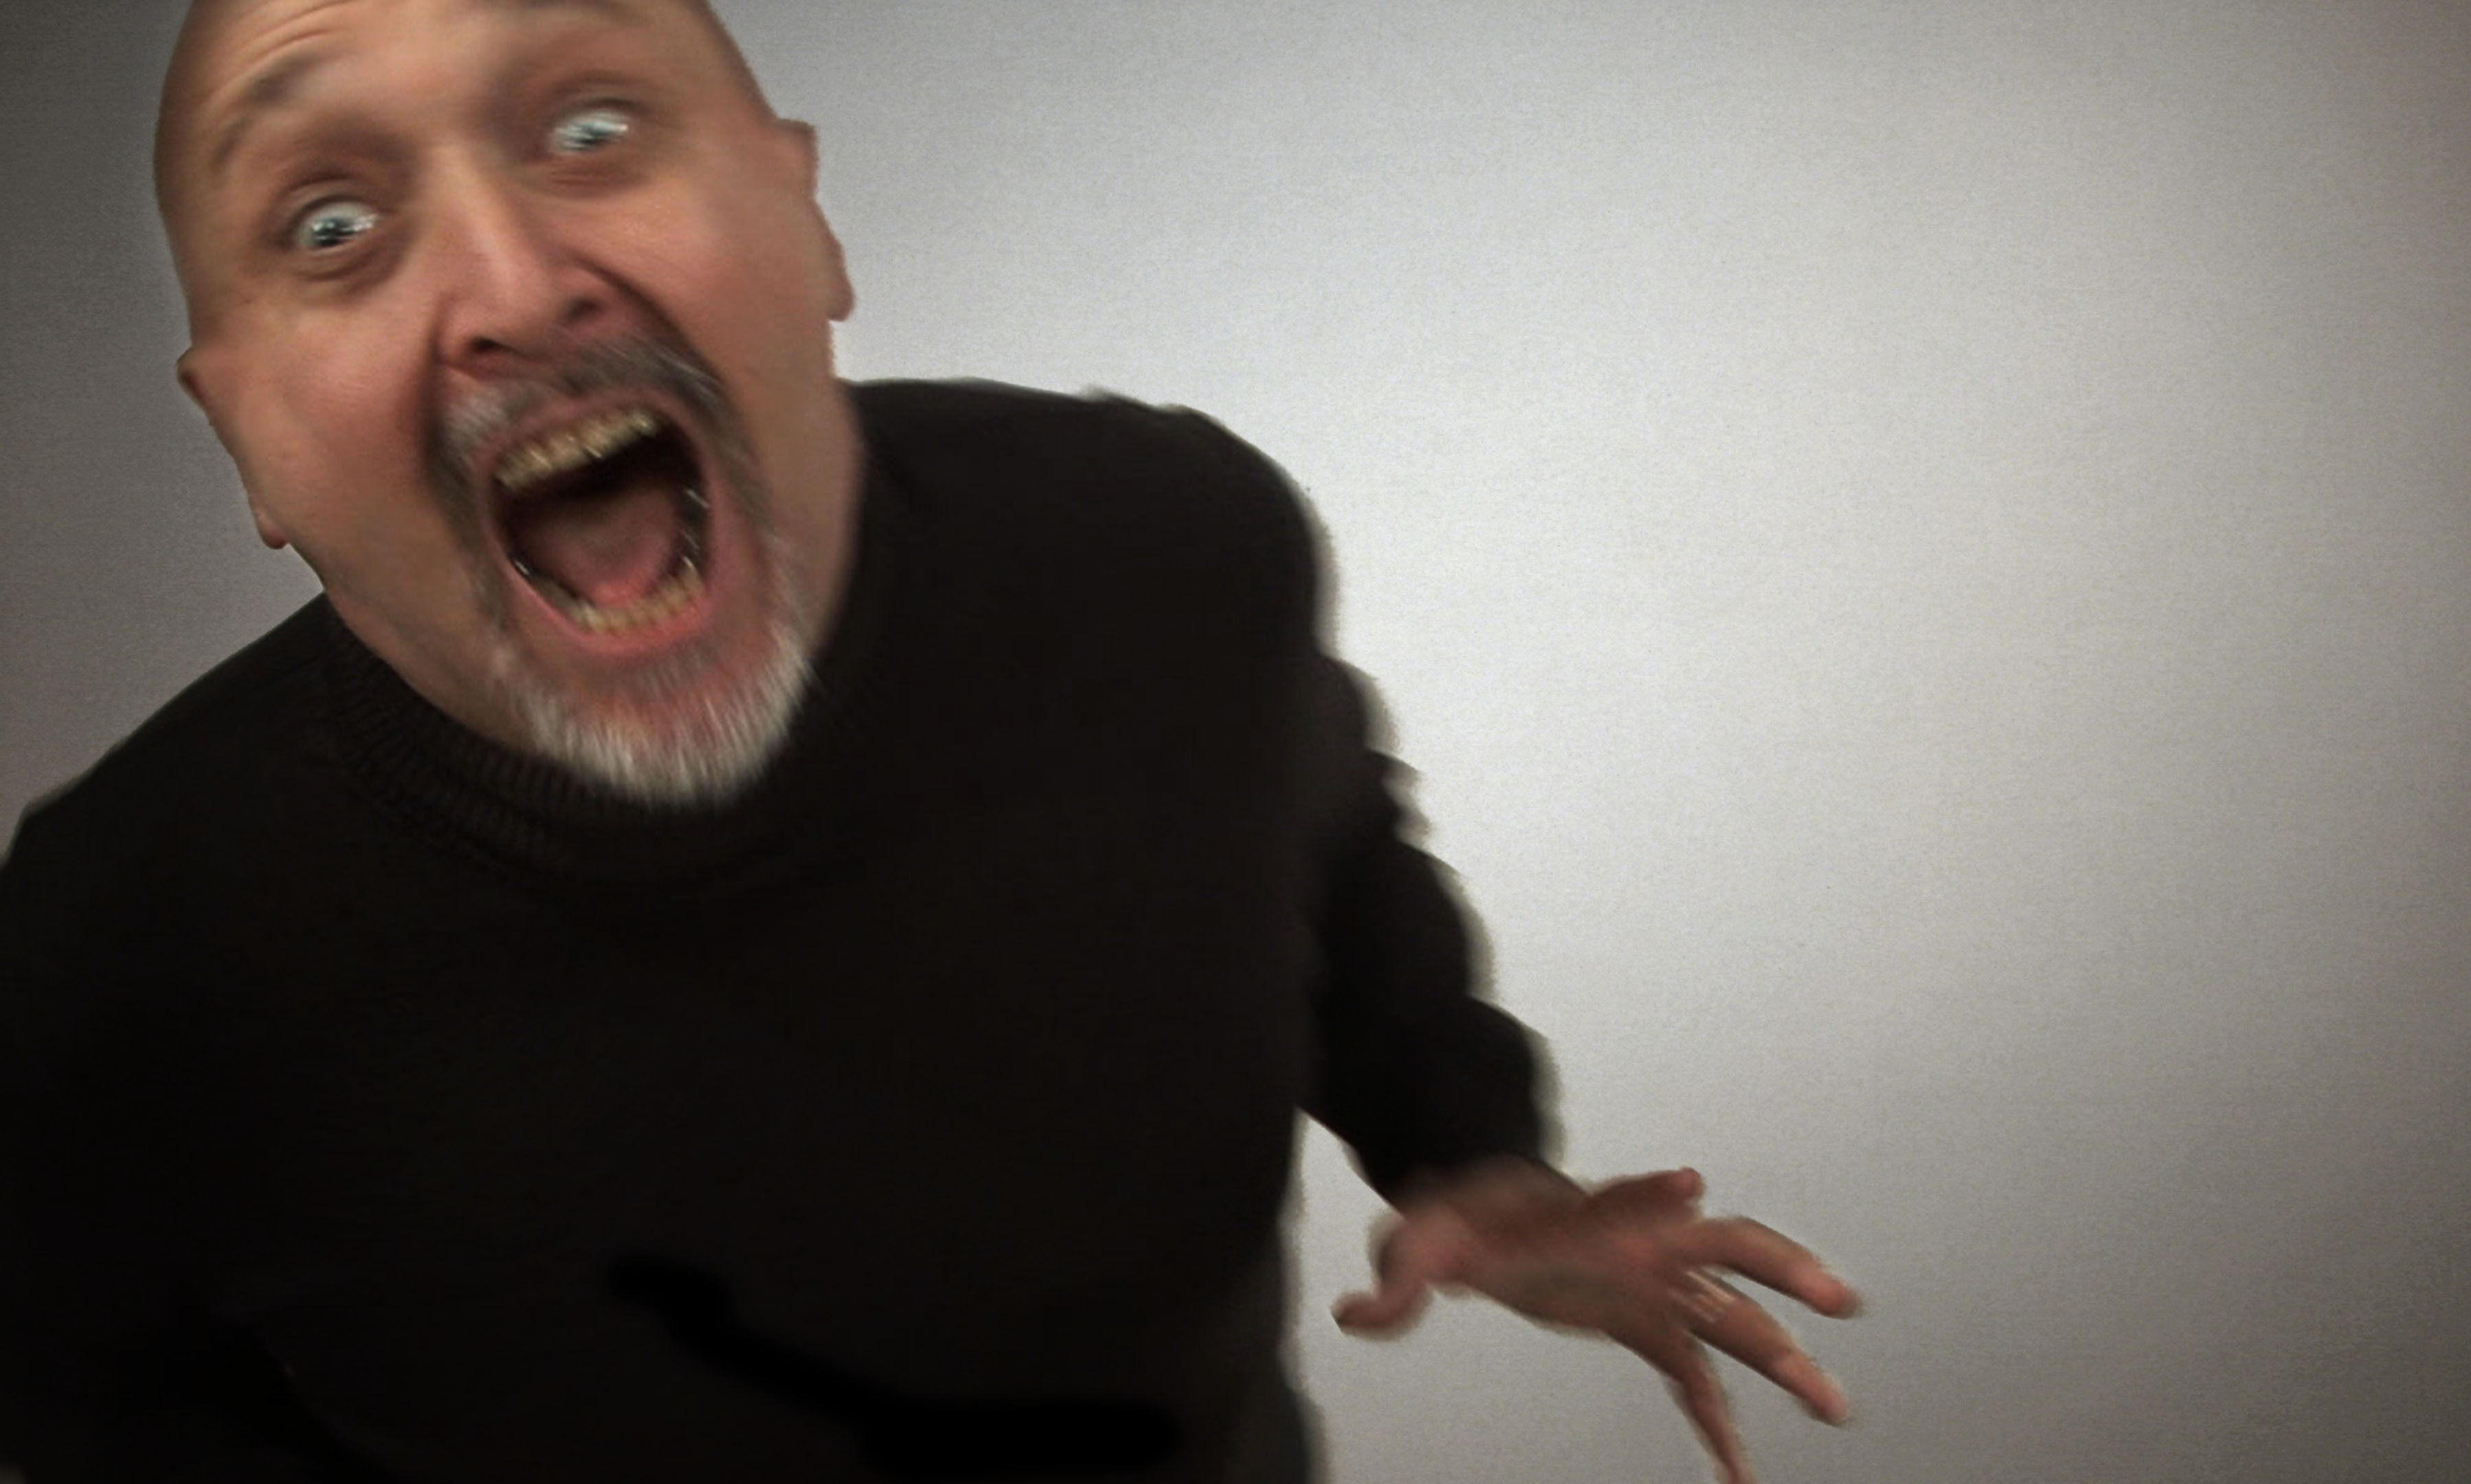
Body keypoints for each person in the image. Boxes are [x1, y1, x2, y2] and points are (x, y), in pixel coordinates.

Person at [0, 1, 1859, 1479]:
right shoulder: (110, 947)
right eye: (330, 224)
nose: (509, 288)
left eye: (590, 127)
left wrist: (1470, 1157)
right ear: (241, 435)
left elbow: (1330, 850)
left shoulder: (1167, 552)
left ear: (805, 213)